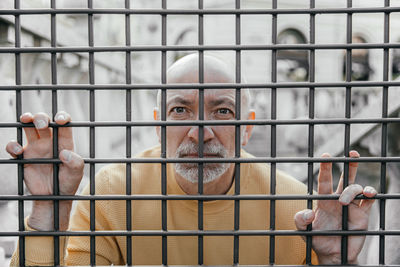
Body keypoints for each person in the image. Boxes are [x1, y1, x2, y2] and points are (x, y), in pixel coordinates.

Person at [8, 54, 377, 266]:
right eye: (180, 110)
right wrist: (47, 211)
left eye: (222, 112)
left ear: (247, 129)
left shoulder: (296, 206)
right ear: (158, 125)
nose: (200, 132)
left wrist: (337, 263)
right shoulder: (111, 193)